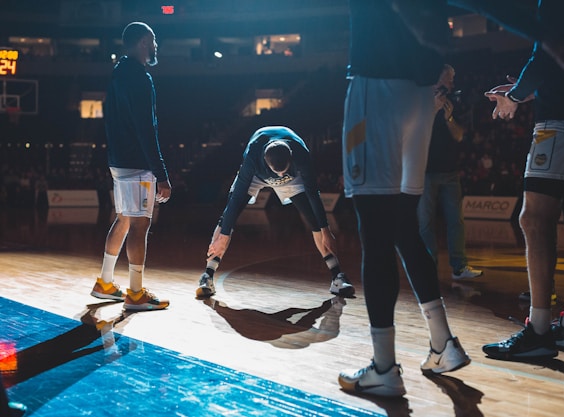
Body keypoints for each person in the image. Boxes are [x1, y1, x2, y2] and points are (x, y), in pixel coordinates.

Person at [337, 0, 470, 398]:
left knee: (375, 233)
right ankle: (443, 343)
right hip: (421, 95)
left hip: (376, 90)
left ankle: (383, 368)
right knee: (404, 229)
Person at [482, 0, 564, 360]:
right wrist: (526, 91)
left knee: (534, 219)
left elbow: (546, 55)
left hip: (563, 121)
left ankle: (539, 329)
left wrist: (513, 96)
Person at [195, 126, 355, 299]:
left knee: (314, 220)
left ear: (291, 158)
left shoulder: (301, 153)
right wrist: (224, 237)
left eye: (282, 171)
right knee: (227, 219)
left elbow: (313, 194)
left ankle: (337, 277)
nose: (279, 175)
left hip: (292, 178)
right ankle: (207, 276)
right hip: (258, 177)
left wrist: (326, 231)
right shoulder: (253, 156)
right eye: (276, 172)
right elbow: (235, 201)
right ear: (265, 160)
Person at [90, 22, 171, 311]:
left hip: (119, 161)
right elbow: (146, 129)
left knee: (124, 219)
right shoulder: (139, 77)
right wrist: (161, 173)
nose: (155, 46)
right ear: (142, 42)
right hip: (136, 164)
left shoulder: (117, 74)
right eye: (153, 40)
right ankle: (136, 294)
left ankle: (105, 283)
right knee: (139, 225)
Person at [417, 64, 483, 280]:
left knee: (456, 220)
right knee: (425, 222)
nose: (452, 84)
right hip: (424, 172)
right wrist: (433, 110)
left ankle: (459, 267)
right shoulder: (419, 100)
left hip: (450, 172)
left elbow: (459, 136)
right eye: (449, 79)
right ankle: (428, 266)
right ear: (438, 80)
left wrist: (449, 118)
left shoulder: (453, 102)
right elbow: (414, 134)